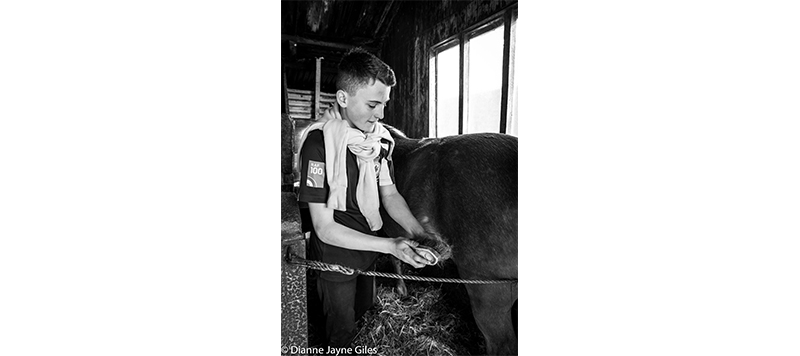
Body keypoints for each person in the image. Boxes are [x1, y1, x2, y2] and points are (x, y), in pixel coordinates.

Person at [297, 48, 434, 348]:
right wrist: (390, 245)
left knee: (364, 314)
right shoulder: (317, 146)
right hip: (336, 261)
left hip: (368, 254)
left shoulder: (379, 141)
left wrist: (421, 236)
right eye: (373, 104)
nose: (381, 114)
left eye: (384, 104)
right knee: (341, 333)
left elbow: (390, 193)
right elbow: (323, 228)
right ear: (344, 99)